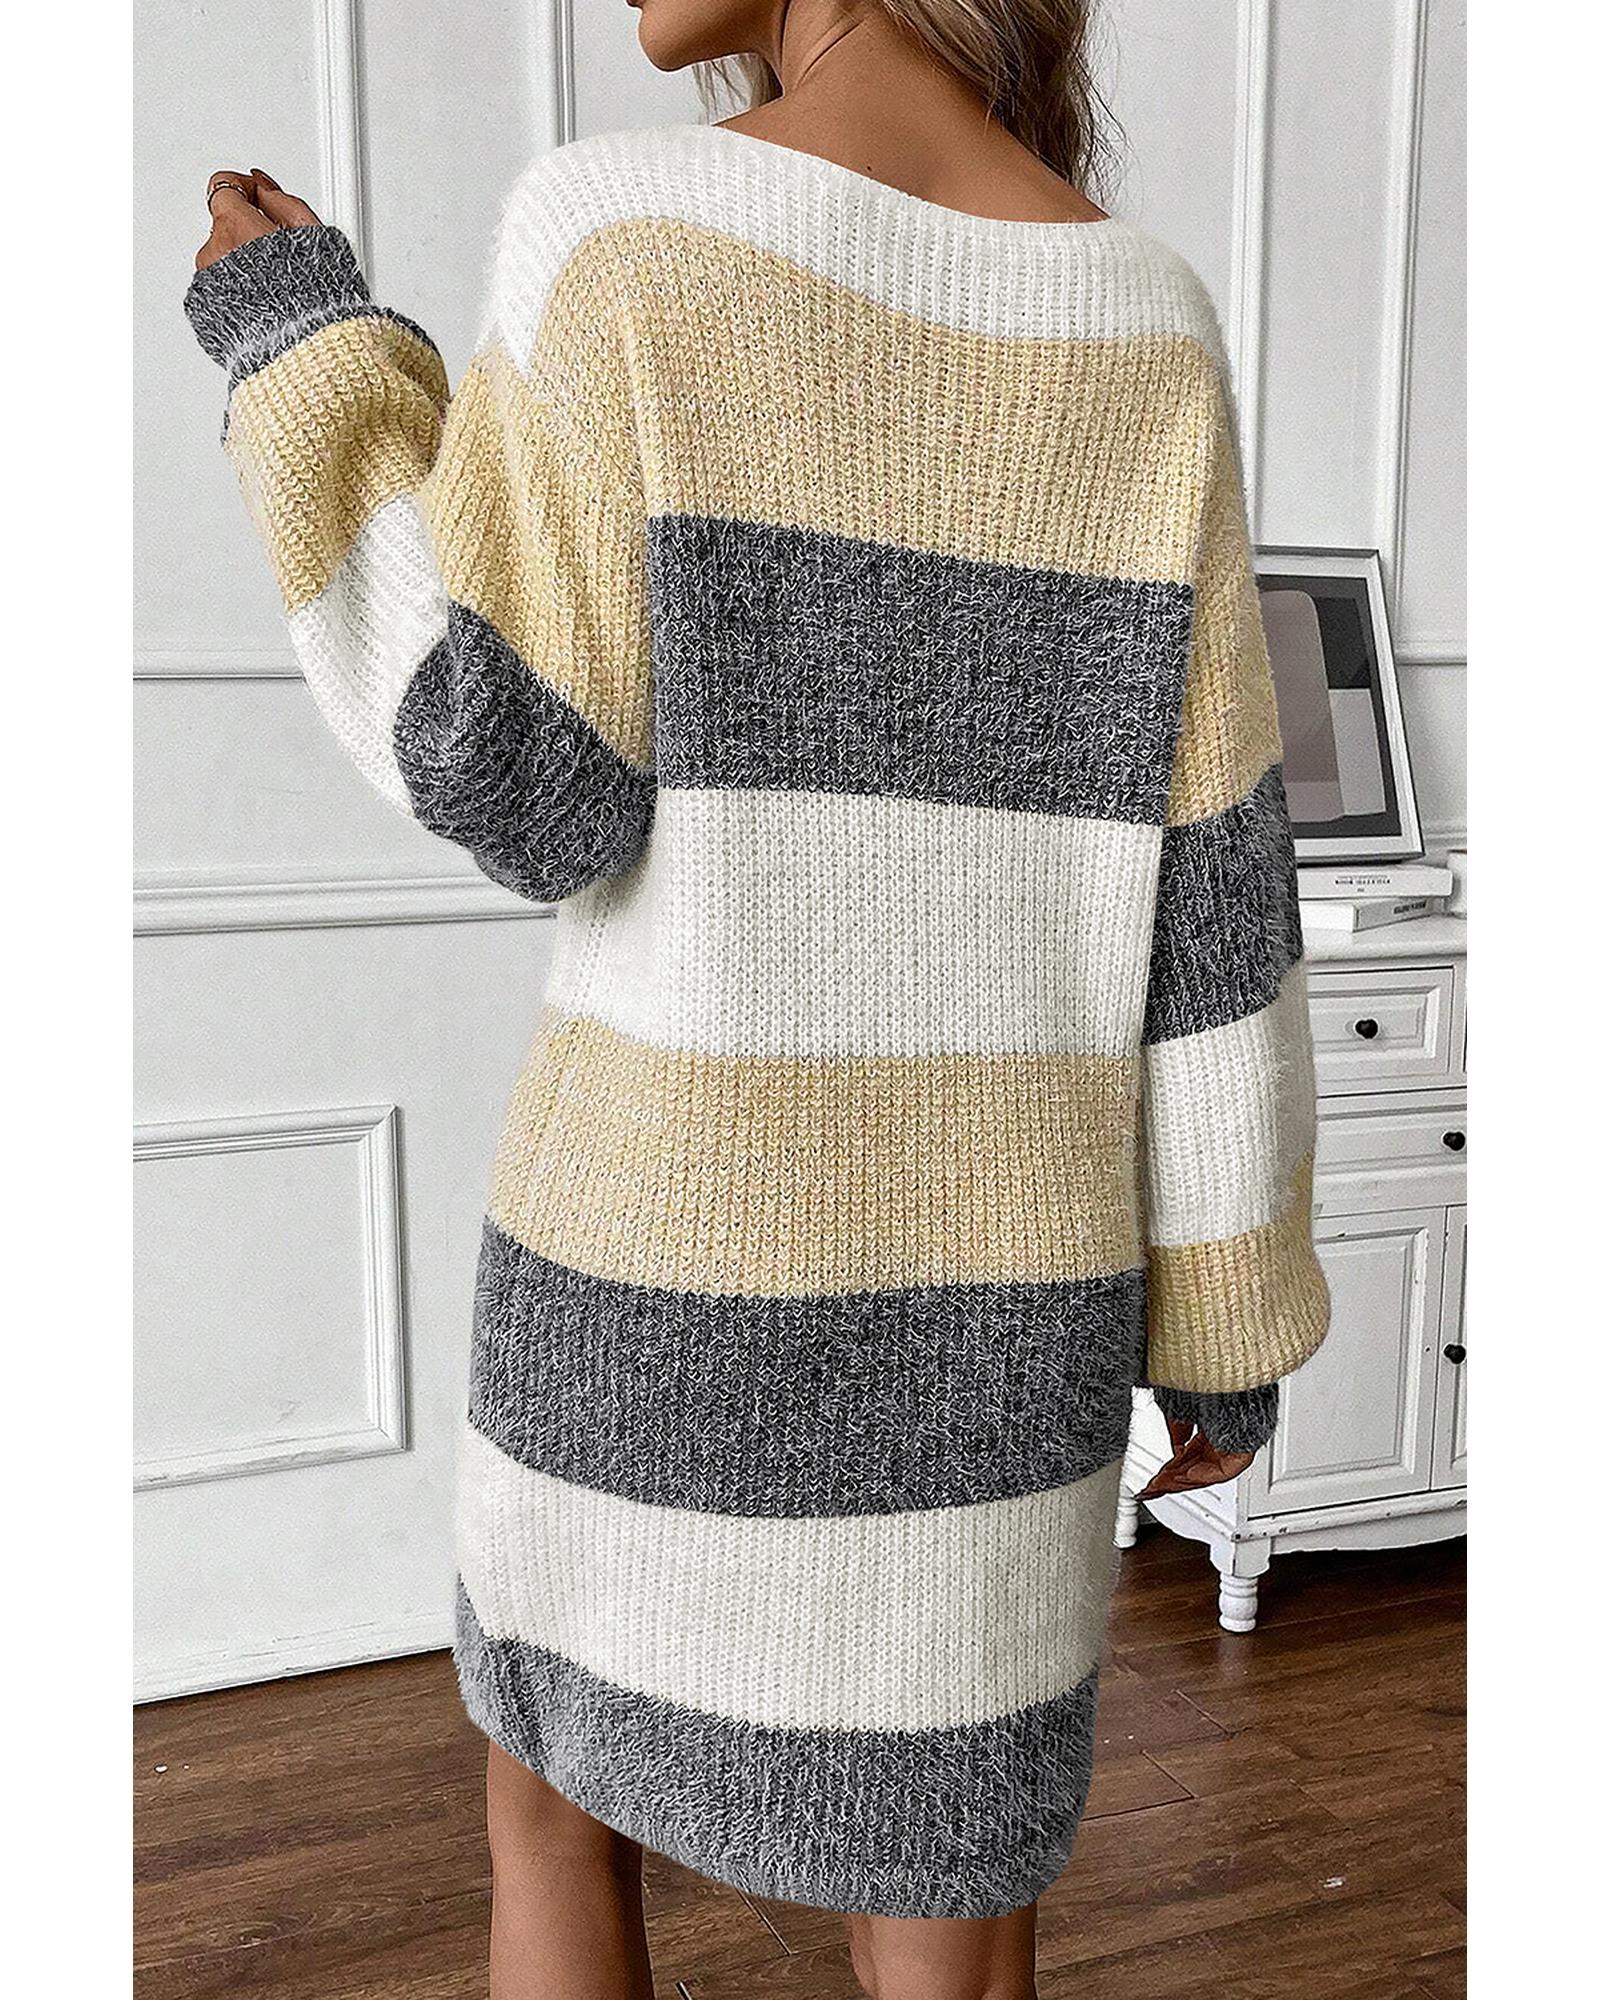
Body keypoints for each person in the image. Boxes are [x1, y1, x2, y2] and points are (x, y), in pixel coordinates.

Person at [185, 4, 1329, 1995]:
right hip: (997, 1326)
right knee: (951, 1895)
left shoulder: (617, 230)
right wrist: (1222, 1333)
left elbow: (517, 780)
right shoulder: (1146, 320)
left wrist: (312, 361)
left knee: (555, 1819)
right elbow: (1216, 885)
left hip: (640, 1283)